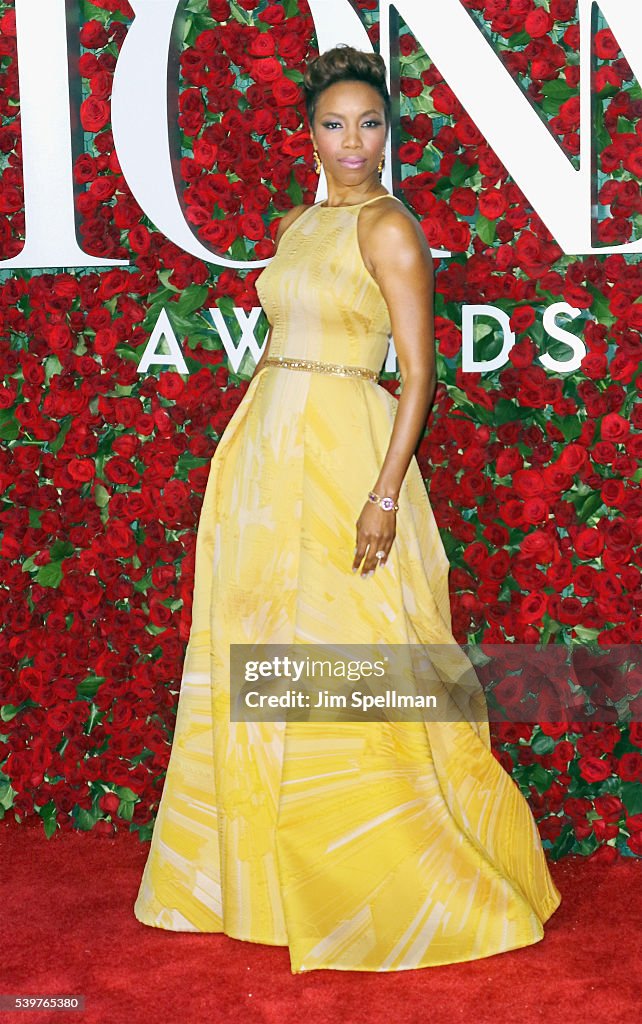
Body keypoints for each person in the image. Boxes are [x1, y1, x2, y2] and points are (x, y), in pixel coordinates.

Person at [134, 44, 561, 973]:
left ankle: (388, 874)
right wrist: (248, 457)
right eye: (336, 123)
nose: (354, 140)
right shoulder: (299, 223)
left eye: (370, 123)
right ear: (310, 134)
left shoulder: (389, 228)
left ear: (387, 134)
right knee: (259, 655)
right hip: (264, 456)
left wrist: (381, 494)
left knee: (360, 653)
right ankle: (262, 886)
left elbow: (419, 377)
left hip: (347, 460)